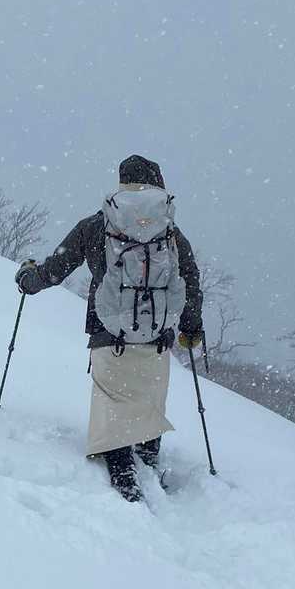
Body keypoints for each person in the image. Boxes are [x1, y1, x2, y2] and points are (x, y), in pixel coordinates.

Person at [14, 155, 204, 501]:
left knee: (113, 402)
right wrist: (191, 329)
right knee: (149, 403)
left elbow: (56, 269)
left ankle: (123, 476)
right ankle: (147, 462)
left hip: (109, 335)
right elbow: (189, 279)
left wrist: (29, 278)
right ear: (157, 181)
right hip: (156, 338)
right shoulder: (169, 231)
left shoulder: (97, 224)